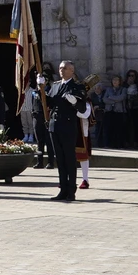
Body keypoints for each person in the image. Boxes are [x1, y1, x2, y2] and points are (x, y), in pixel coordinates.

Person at [45, 61, 87, 201]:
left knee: (69, 158)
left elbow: (82, 108)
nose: (61, 70)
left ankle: (71, 190)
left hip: (68, 126)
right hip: (54, 125)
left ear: (72, 71)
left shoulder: (77, 86)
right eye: (60, 68)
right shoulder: (55, 85)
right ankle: (63, 189)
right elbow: (49, 103)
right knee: (59, 159)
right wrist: (41, 90)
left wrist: (75, 102)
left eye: (65, 68)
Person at [101, 75, 127, 149]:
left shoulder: (123, 89)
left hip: (119, 112)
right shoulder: (108, 89)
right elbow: (104, 99)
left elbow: (121, 97)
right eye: (113, 80)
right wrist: (114, 100)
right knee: (108, 129)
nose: (115, 81)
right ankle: (108, 144)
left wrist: (111, 97)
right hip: (109, 111)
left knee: (119, 130)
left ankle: (119, 145)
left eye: (117, 80)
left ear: (120, 81)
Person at [124, 69, 138, 147]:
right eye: (129, 75)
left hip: (136, 108)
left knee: (136, 125)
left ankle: (136, 141)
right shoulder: (124, 85)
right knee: (126, 125)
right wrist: (128, 85)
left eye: (132, 76)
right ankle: (126, 141)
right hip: (126, 108)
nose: (131, 77)